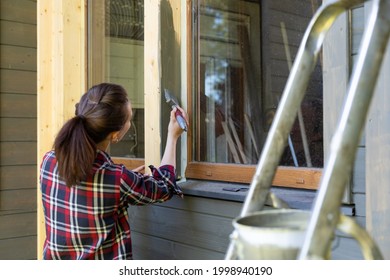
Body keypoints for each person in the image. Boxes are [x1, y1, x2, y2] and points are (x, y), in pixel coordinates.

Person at [39, 83, 188, 260]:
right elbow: (164, 187)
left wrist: (122, 182)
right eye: (129, 119)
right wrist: (173, 136)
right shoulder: (116, 179)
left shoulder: (49, 161)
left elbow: (86, 187)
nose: (130, 123)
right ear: (115, 134)